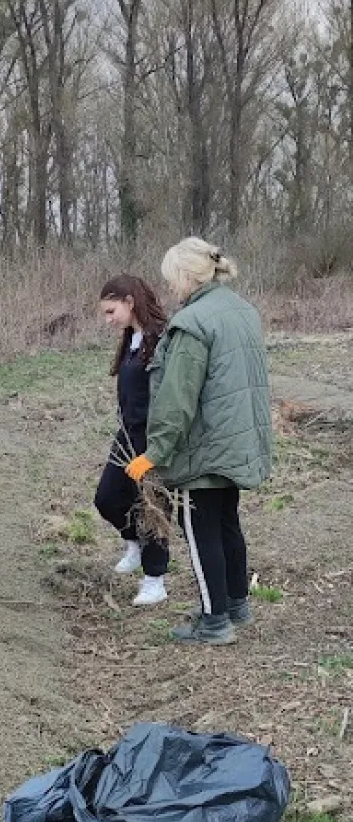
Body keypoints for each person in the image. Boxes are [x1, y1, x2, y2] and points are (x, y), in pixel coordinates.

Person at [126, 238, 272, 646]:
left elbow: (176, 398)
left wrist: (155, 453)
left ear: (188, 276)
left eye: (171, 279)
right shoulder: (241, 310)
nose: (170, 287)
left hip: (204, 448)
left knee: (200, 530)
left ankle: (214, 622)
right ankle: (237, 604)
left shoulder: (192, 323)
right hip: (236, 441)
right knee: (227, 522)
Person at [93, 275, 169, 606]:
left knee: (151, 507)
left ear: (129, 301)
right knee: (107, 498)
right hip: (126, 435)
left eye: (112, 311)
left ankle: (155, 581)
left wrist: (158, 445)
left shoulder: (161, 339)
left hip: (151, 438)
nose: (109, 320)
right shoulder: (132, 339)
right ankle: (134, 544)